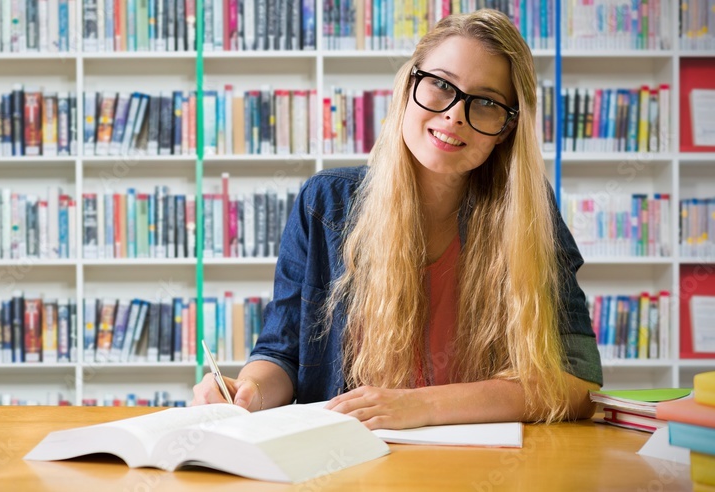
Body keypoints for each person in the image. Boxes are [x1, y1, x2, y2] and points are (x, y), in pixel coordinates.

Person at [191, 9, 603, 429]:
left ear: (507, 129)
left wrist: (421, 406)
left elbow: (579, 382)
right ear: (409, 86)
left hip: (482, 464)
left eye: (485, 102)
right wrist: (250, 392)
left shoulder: (528, 215)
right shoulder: (327, 203)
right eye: (441, 85)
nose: (454, 115)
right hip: (350, 460)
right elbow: (283, 355)